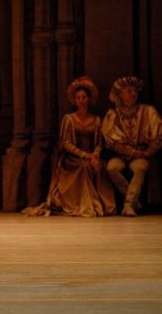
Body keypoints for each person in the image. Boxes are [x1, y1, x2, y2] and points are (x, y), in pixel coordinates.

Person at [23, 77, 115, 217]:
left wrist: (95, 154)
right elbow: (66, 142)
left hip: (91, 156)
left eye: (84, 97)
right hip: (72, 158)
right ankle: (82, 204)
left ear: (89, 99)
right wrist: (84, 155)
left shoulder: (96, 119)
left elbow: (98, 143)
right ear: (75, 100)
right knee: (84, 166)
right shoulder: (69, 119)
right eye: (78, 97)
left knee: (99, 166)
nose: (81, 100)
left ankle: (101, 204)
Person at [101, 76, 162, 217]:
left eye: (135, 91)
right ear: (120, 95)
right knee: (112, 168)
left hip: (141, 153)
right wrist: (131, 152)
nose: (133, 94)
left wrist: (148, 151)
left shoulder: (147, 111)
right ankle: (134, 201)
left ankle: (128, 205)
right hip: (122, 154)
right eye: (129, 91)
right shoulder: (113, 114)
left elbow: (158, 132)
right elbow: (111, 139)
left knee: (140, 168)